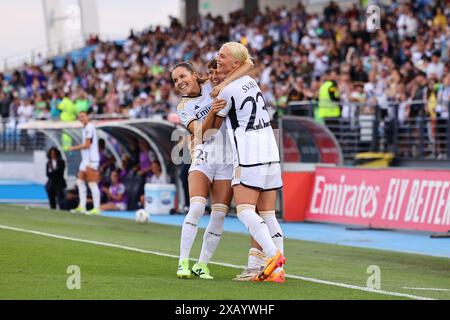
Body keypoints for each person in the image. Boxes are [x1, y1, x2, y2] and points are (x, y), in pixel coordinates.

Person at [171, 58, 252, 280]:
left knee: (218, 216)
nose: (179, 82)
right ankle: (183, 262)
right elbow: (199, 133)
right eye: (175, 80)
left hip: (227, 159)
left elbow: (248, 64)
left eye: (182, 76)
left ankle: (202, 265)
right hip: (203, 156)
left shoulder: (213, 84)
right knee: (197, 208)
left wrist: (219, 83)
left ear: (194, 75)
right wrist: (212, 112)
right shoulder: (183, 107)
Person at [214, 42, 286, 282]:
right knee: (267, 213)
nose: (217, 58)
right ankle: (276, 271)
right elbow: (248, 64)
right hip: (270, 150)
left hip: (248, 153)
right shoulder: (251, 82)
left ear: (235, 63)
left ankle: (272, 255)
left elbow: (213, 129)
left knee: (245, 210)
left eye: (222, 56)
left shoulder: (226, 91)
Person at [67, 110, 102, 215]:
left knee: (92, 183)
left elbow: (87, 145)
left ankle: (97, 208)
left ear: (87, 117)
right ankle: (82, 206)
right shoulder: (84, 128)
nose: (81, 118)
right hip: (85, 160)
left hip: (92, 160)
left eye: (83, 116)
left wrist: (73, 148)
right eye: (79, 117)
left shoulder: (90, 128)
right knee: (80, 182)